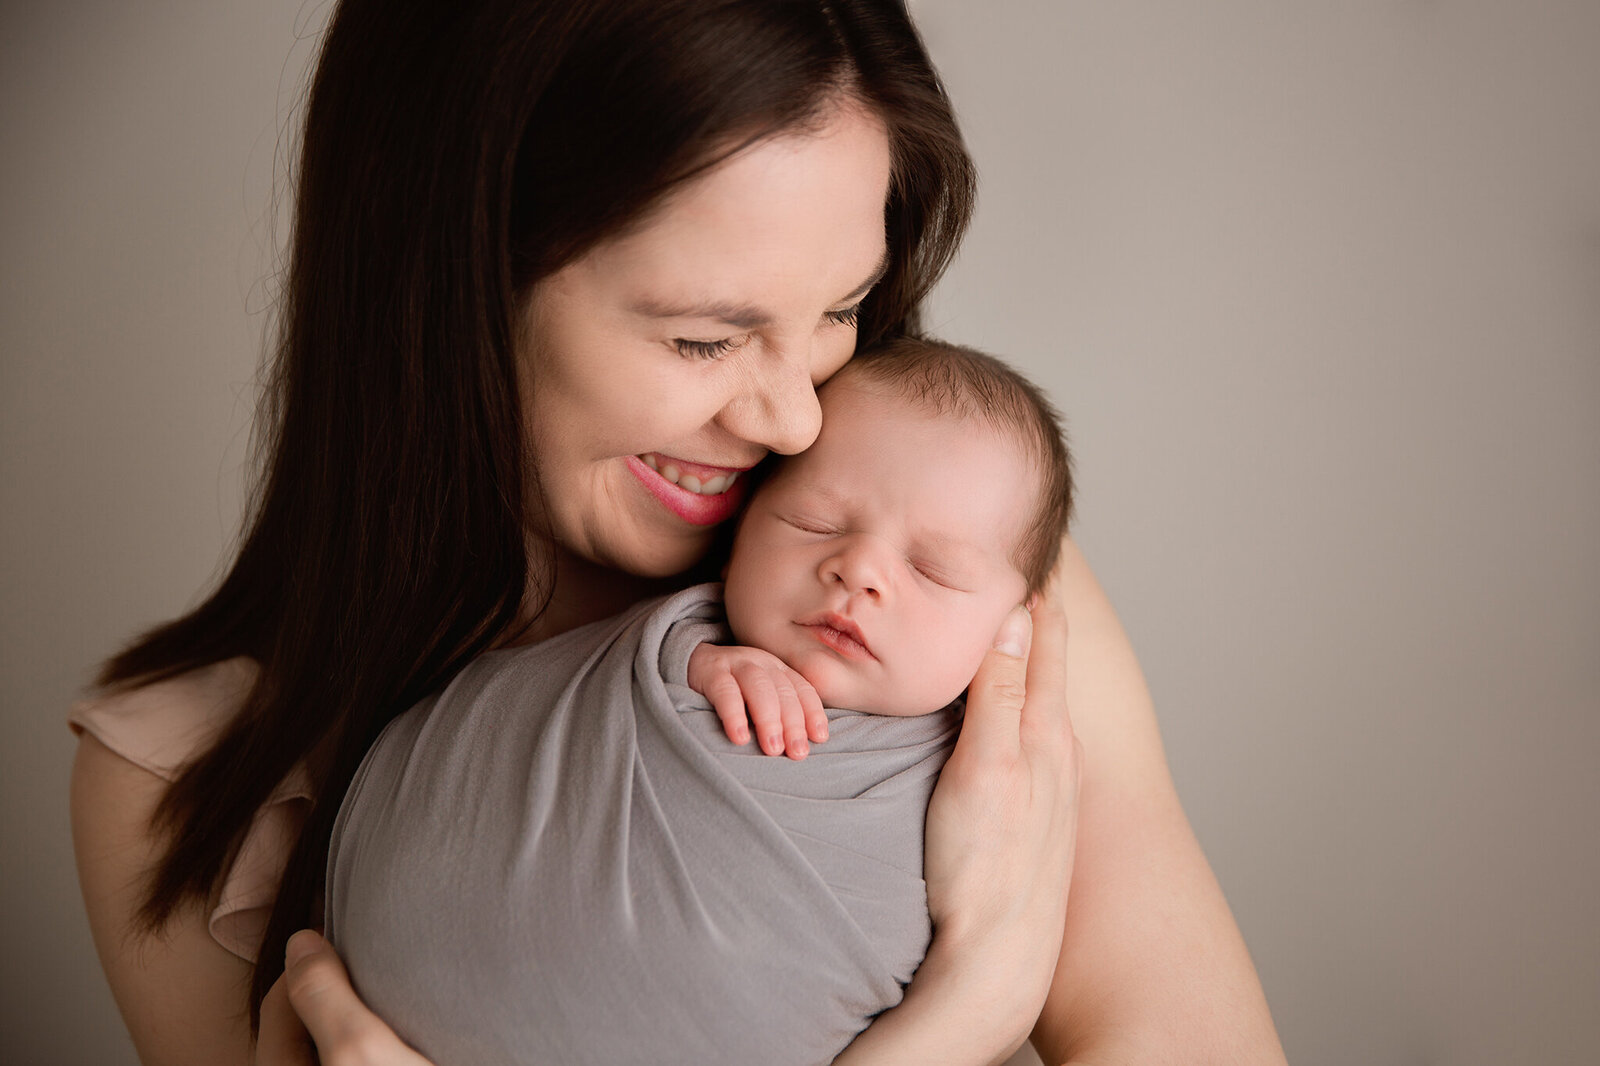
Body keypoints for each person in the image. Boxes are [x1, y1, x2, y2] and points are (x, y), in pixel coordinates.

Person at [66, 2, 1285, 1064]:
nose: (792, 412)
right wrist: (959, 1020)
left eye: (842, 309)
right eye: (704, 338)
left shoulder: (932, 595)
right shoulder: (181, 791)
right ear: (447, 288)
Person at [322, 340, 1073, 1065]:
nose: (860, 570)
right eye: (814, 523)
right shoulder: (686, 638)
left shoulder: (1013, 761)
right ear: (742, 526)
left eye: (932, 570)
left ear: (1022, 618)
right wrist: (697, 660)